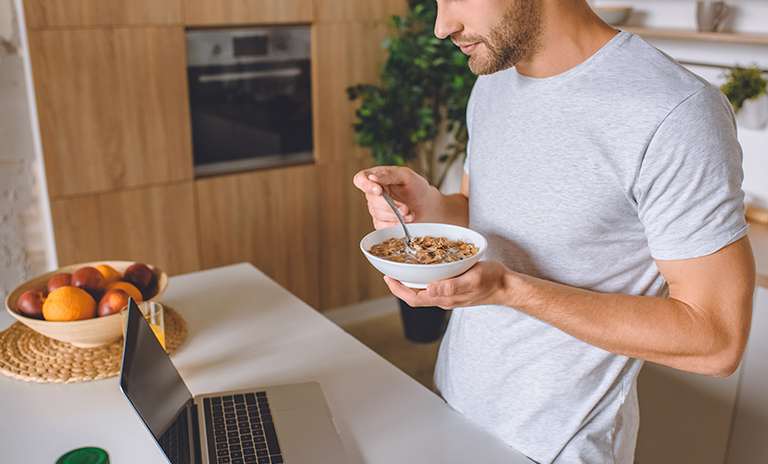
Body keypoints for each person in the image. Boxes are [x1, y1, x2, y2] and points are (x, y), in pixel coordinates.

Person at [352, 0, 757, 463]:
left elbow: (717, 341)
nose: (443, 26)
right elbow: (486, 216)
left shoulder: (677, 111)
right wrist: (431, 206)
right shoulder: (493, 80)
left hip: (557, 446)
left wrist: (509, 289)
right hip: (455, 405)